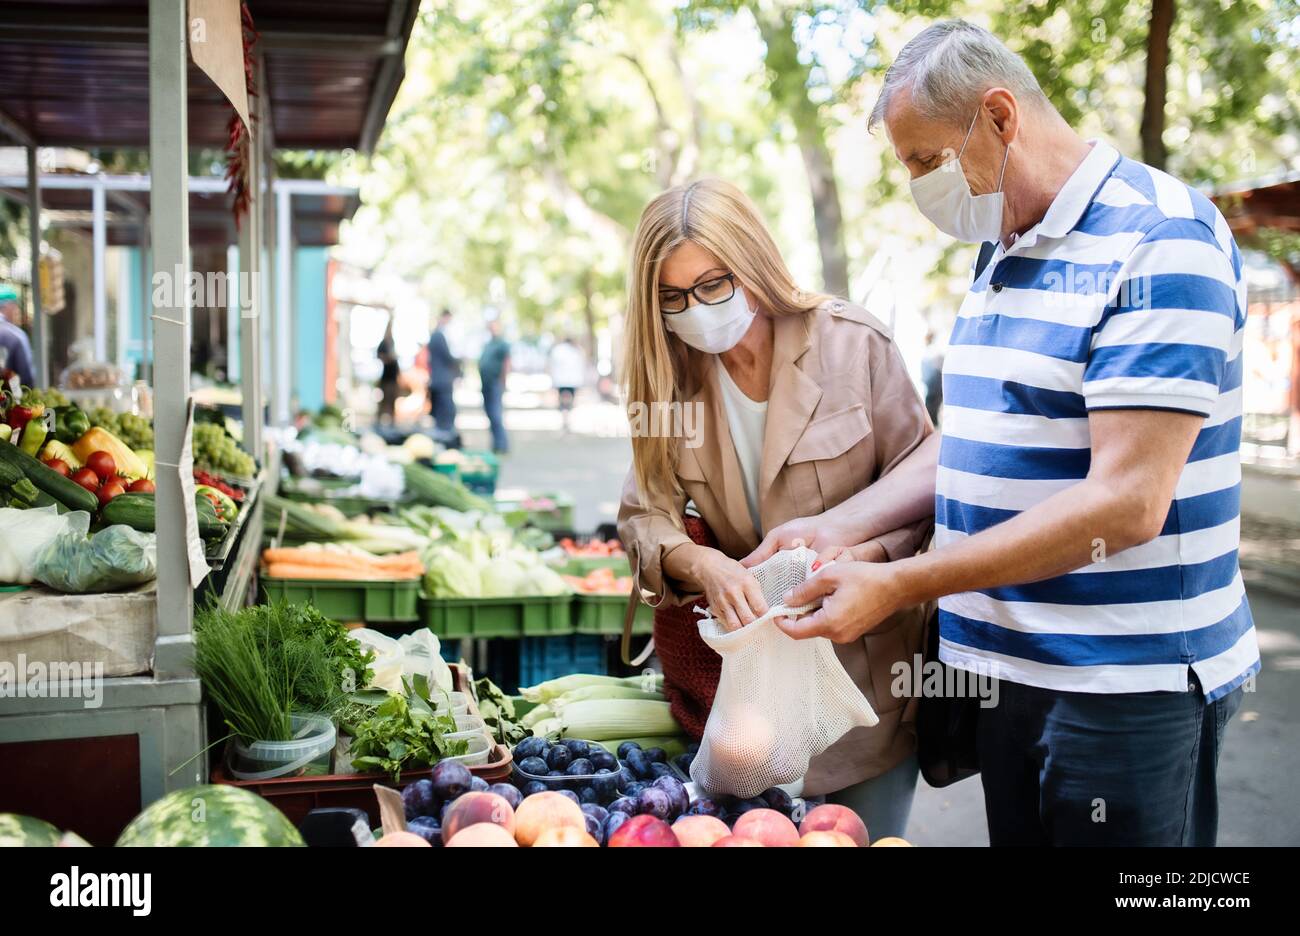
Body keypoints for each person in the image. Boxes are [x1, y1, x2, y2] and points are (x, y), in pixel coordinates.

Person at [752, 21, 1258, 847]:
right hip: (1004, 677)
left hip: (1122, 687)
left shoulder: (1161, 242)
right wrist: (839, 527)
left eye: (923, 160)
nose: (917, 184)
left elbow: (1126, 504)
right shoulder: (1003, 243)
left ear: (998, 116)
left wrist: (905, 582)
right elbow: (972, 441)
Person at [617, 178, 933, 839]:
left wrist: (866, 556)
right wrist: (699, 561)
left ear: (753, 265)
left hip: (863, 682)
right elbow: (644, 514)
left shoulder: (852, 346)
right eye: (673, 297)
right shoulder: (671, 376)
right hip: (747, 696)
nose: (697, 310)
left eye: (713, 285)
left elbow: (927, 484)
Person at [426, 308, 461, 445]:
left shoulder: (436, 334)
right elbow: (447, 357)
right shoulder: (439, 335)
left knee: (443, 410)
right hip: (442, 380)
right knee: (446, 411)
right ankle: (446, 440)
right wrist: (459, 361)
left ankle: (444, 436)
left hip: (439, 378)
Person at [478, 316, 511, 455]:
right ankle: (495, 443)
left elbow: (507, 362)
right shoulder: (488, 343)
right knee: (490, 414)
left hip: (495, 383)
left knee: (496, 414)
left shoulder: (502, 344)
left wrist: (503, 381)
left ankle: (502, 445)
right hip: (485, 383)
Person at [548, 334, 586, 433]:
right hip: (573, 380)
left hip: (560, 380)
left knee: (562, 399)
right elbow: (581, 365)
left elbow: (551, 365)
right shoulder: (576, 350)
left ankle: (565, 416)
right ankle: (567, 416)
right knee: (570, 399)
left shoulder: (557, 350)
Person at [0, 285, 35, 388]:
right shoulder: (16, 336)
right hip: (10, 401)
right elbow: (26, 379)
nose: (17, 311)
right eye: (15, 306)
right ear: (9, 306)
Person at [376, 314, 400, 424]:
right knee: (384, 400)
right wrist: (389, 358)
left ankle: (392, 422)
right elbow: (379, 356)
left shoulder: (393, 342)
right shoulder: (384, 343)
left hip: (394, 376)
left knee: (392, 400)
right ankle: (379, 421)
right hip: (387, 376)